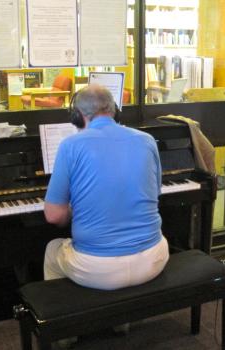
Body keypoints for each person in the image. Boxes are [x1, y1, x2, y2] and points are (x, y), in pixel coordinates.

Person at [43, 84, 169, 291]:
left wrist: (75, 211)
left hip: (97, 268)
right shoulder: (147, 140)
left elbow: (54, 216)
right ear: (114, 110)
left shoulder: (70, 145)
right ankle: (122, 320)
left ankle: (68, 317)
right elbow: (154, 194)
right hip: (154, 258)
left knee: (52, 249)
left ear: (78, 115)